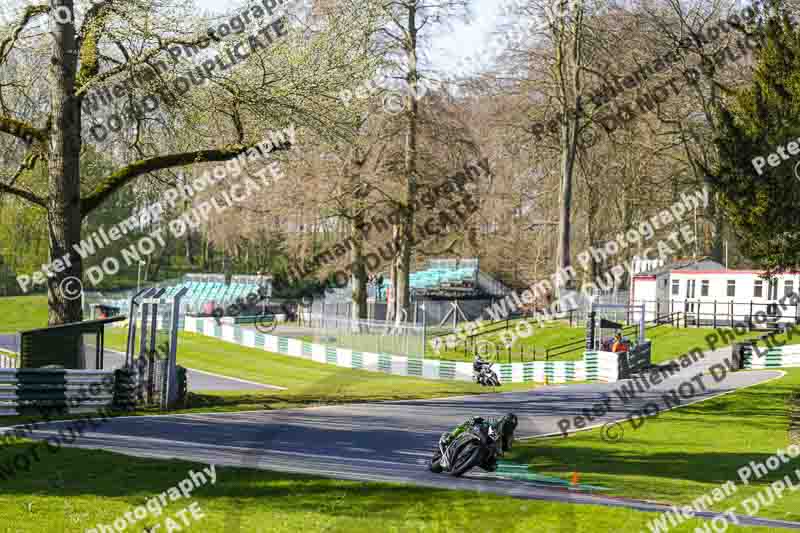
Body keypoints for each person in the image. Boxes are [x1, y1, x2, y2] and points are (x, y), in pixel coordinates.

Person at [436, 413, 519, 472]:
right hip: (481, 436)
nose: (508, 426)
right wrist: (478, 420)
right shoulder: (495, 422)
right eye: (508, 423)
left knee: (492, 467)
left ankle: (473, 461)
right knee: (469, 422)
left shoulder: (510, 437)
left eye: (511, 425)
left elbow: (507, 449)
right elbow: (485, 422)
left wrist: (502, 450)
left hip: (489, 448)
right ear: (503, 420)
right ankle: (451, 436)